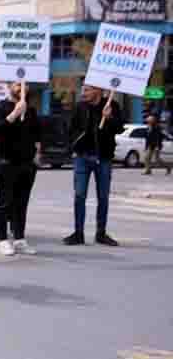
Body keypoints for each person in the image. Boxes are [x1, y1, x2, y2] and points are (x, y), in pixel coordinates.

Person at [65, 85, 124, 246]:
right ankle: (78, 233)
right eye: (83, 89)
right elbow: (71, 129)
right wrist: (74, 148)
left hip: (103, 158)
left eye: (87, 90)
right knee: (79, 195)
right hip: (82, 157)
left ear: (98, 90)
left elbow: (119, 129)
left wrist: (109, 117)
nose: (83, 92)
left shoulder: (112, 105)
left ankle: (101, 233)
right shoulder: (80, 107)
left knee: (103, 197)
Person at [0, 82, 42, 256]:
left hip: (27, 164)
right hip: (7, 162)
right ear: (9, 86)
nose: (22, 88)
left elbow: (37, 135)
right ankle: (3, 240)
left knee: (22, 203)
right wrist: (14, 114)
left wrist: (37, 154)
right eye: (17, 84)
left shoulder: (31, 110)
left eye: (25, 85)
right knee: (4, 203)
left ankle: (19, 239)